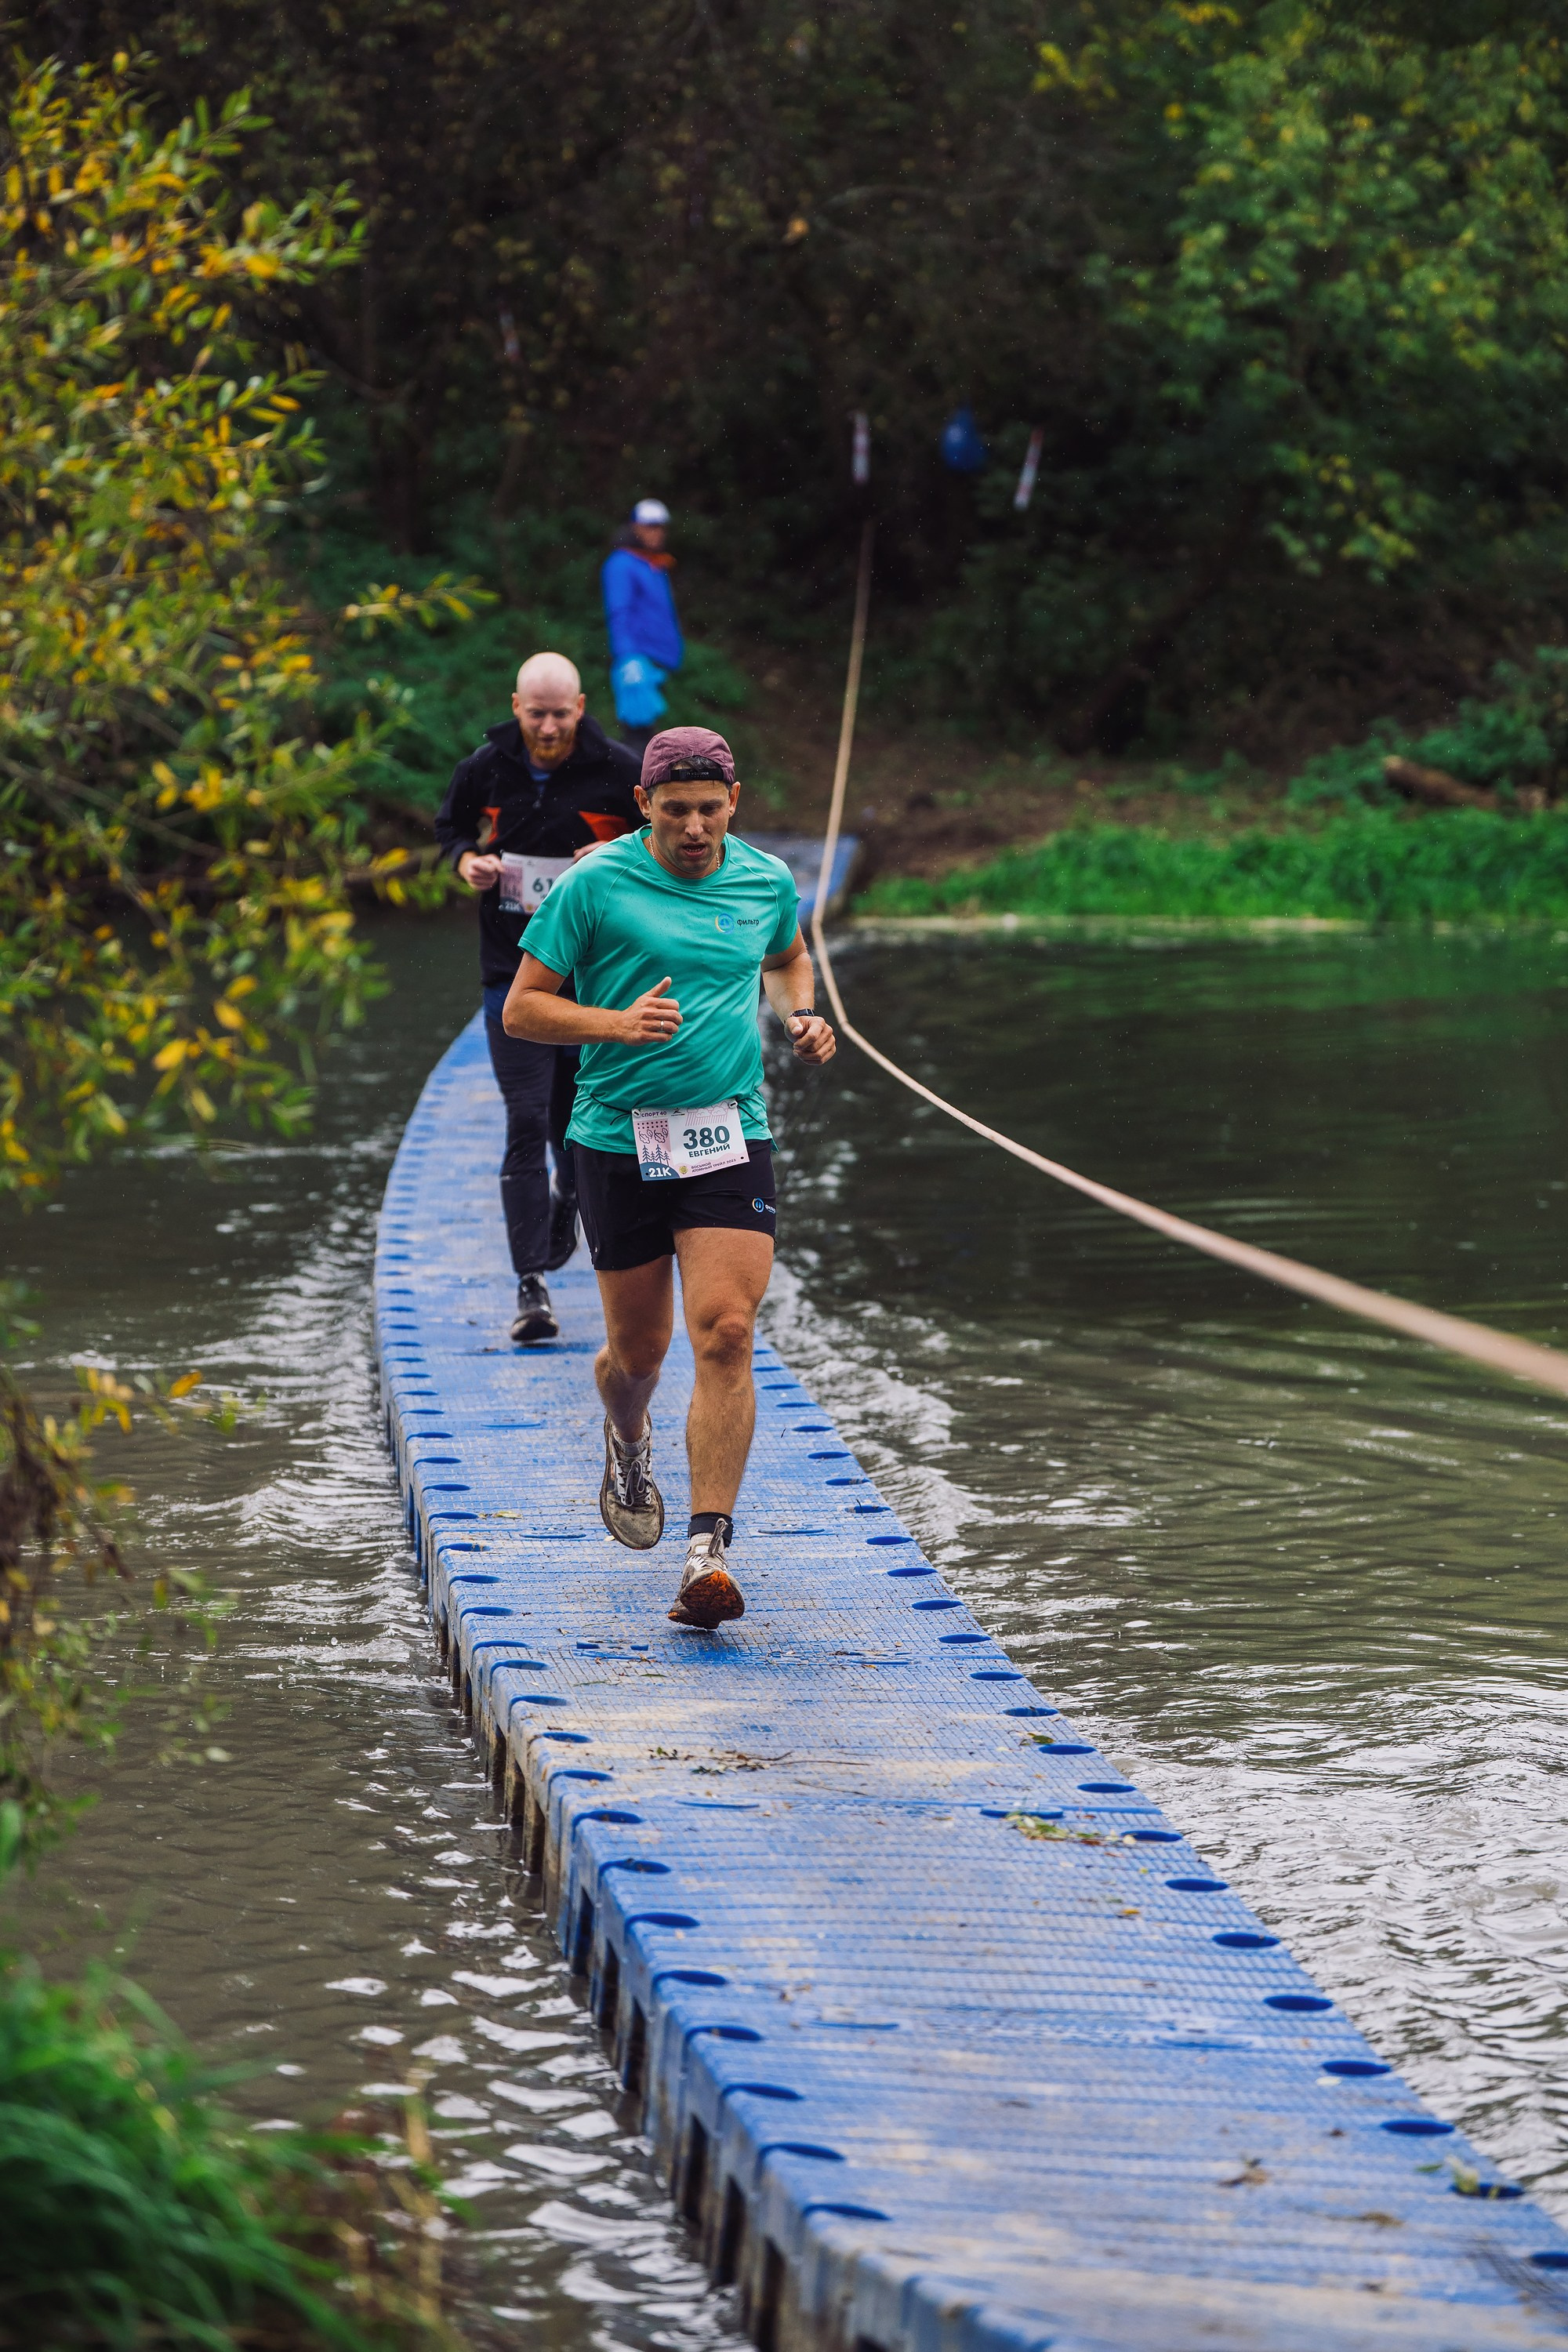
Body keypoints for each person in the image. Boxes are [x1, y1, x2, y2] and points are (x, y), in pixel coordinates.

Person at [502, 725, 835, 1628]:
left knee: (726, 1330)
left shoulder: (764, 880)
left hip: (727, 1129)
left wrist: (800, 1015)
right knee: (638, 1357)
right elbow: (522, 1010)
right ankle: (627, 1436)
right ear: (642, 805)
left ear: (734, 803)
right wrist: (614, 1024)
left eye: (709, 810)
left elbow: (784, 957)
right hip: (617, 1135)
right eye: (675, 810)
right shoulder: (595, 885)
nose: (693, 827)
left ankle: (705, 1554)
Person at [435, 652, 641, 1345]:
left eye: (559, 715)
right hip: (511, 972)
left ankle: (570, 1194)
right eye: (535, 715)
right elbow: (450, 829)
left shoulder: (617, 769)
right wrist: (467, 861)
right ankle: (531, 1285)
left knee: (575, 1124)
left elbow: (661, 841)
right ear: (516, 708)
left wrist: (613, 856)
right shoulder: (484, 767)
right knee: (525, 1119)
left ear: (580, 708)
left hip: (595, 979)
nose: (548, 728)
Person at [602, 499, 684, 759]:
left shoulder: (655, 564)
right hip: (637, 662)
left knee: (651, 736)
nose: (656, 532)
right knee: (637, 737)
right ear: (635, 527)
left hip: (657, 661)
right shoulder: (622, 563)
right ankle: (630, 783)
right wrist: (628, 659)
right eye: (649, 526)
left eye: (660, 526)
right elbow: (619, 612)